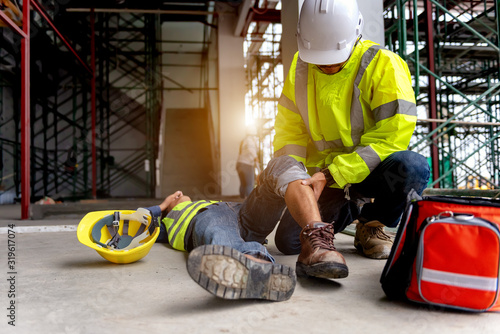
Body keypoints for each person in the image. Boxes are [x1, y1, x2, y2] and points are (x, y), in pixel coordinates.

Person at [235, 0, 430, 279]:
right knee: (289, 242)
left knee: (413, 167)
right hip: (321, 179)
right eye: (320, 59)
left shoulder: (384, 65)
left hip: (367, 172)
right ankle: (349, 208)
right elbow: (291, 132)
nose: (326, 66)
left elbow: (393, 136)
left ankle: (371, 223)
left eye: (334, 58)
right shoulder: (299, 68)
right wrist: (296, 179)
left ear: (356, 35)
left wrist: (333, 173)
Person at [147, 191, 296, 302]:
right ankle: (257, 266)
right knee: (219, 229)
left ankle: (253, 268)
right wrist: (161, 206)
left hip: (237, 212)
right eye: (175, 197)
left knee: (269, 185)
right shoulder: (165, 223)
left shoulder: (203, 202)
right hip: (209, 217)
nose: (179, 195)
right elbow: (133, 223)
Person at [236, 128, 260, 198]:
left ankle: (240, 202)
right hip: (247, 165)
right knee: (249, 185)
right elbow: (251, 148)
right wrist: (256, 157)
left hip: (239, 164)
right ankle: (250, 203)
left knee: (243, 184)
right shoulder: (249, 140)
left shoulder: (244, 140)